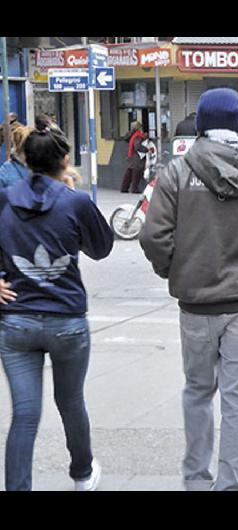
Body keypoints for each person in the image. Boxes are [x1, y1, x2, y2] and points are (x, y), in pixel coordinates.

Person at [139, 88, 238, 491]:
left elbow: (153, 236)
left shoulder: (176, 170)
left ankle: (195, 480)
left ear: (202, 124)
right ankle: (230, 485)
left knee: (197, 392)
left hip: (195, 305)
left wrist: (173, 269)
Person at [0, 115, 114, 491]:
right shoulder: (76, 202)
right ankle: (82, 474)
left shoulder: (4, 199)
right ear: (64, 161)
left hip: (16, 321)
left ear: (27, 160)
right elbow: (101, 248)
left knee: (25, 415)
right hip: (66, 319)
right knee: (70, 402)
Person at [120, 122, 148, 193]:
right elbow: (137, 146)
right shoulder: (138, 135)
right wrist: (146, 150)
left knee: (129, 172)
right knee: (136, 173)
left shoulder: (132, 134)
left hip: (131, 155)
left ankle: (124, 188)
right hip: (136, 157)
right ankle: (134, 189)